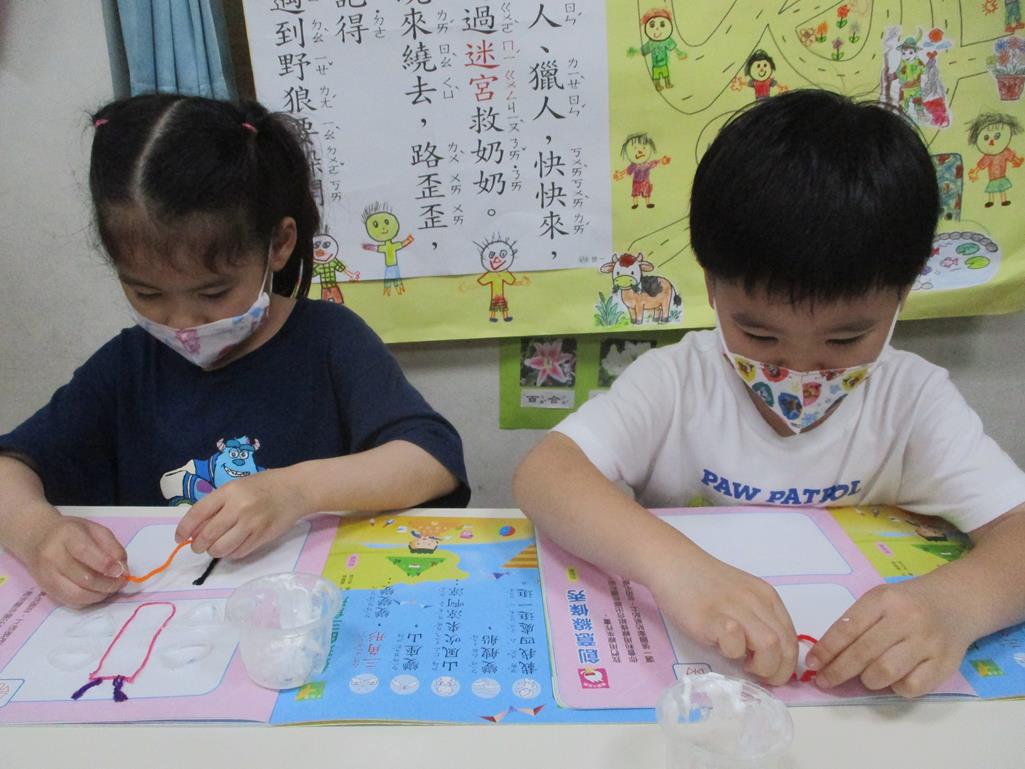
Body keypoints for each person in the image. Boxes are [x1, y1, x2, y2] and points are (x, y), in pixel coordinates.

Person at [514, 90, 1025, 698]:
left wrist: (955, 604)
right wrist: (676, 567)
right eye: (759, 334)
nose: (798, 367)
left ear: (903, 294)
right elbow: (545, 474)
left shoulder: (912, 401)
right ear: (711, 286)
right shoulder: (678, 380)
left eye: (845, 338)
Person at [0, 94, 469, 609]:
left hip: (305, 612)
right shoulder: (127, 367)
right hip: (176, 621)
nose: (182, 323)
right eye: (147, 293)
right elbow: (9, 469)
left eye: (214, 292)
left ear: (279, 245)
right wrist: (38, 533)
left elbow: (432, 460)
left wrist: (296, 491)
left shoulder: (330, 341)